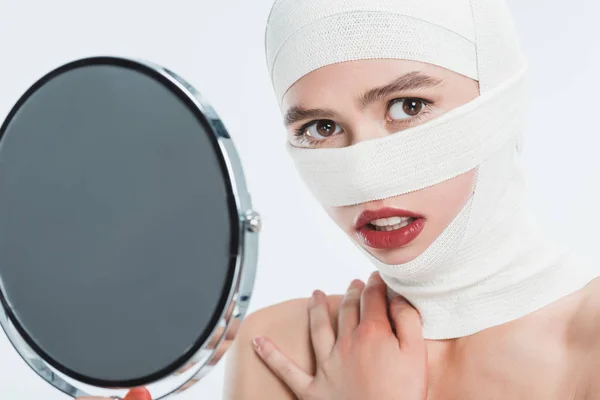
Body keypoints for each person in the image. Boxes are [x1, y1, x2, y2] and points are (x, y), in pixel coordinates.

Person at [223, 0, 600, 399]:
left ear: (500, 99)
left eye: (408, 106)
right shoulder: (282, 350)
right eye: (322, 127)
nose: (364, 178)